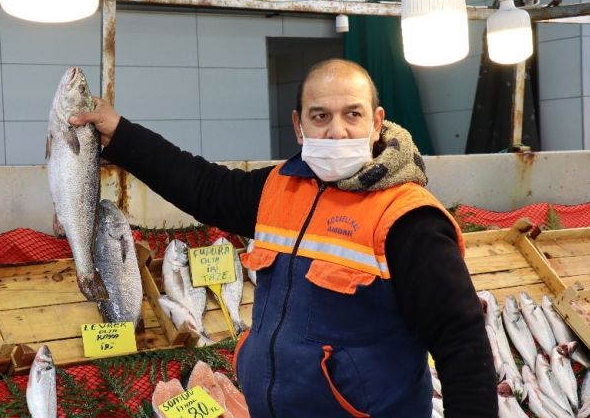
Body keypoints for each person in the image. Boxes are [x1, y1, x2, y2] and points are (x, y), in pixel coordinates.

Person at [70, 58, 497, 417]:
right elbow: (202, 186)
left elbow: (462, 344)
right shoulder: (279, 189)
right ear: (298, 125)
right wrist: (122, 135)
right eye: (320, 116)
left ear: (376, 122)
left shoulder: (407, 218)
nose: (337, 131)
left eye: (353, 114)